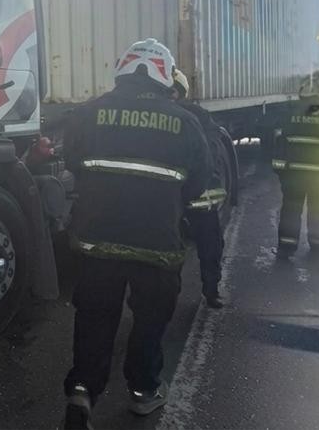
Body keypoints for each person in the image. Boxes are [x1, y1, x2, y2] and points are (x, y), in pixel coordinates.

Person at [61, 39, 211, 430]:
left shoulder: (86, 114)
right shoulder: (186, 122)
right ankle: (144, 392)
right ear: (165, 74)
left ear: (122, 70)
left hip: (96, 243)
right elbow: (199, 184)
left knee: (94, 317)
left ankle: (82, 390)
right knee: (149, 320)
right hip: (157, 246)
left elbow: (74, 164)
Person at [171, 68, 228, 308]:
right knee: (208, 244)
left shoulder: (192, 116)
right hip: (197, 196)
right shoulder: (198, 116)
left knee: (182, 246)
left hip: (178, 198)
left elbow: (212, 149)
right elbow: (213, 150)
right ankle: (211, 291)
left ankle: (208, 289)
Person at [271, 95, 319, 258]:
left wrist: (282, 174)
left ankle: (287, 248)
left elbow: (280, 147)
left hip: (294, 177)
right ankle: (317, 245)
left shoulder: (291, 116)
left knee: (291, 211)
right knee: (318, 210)